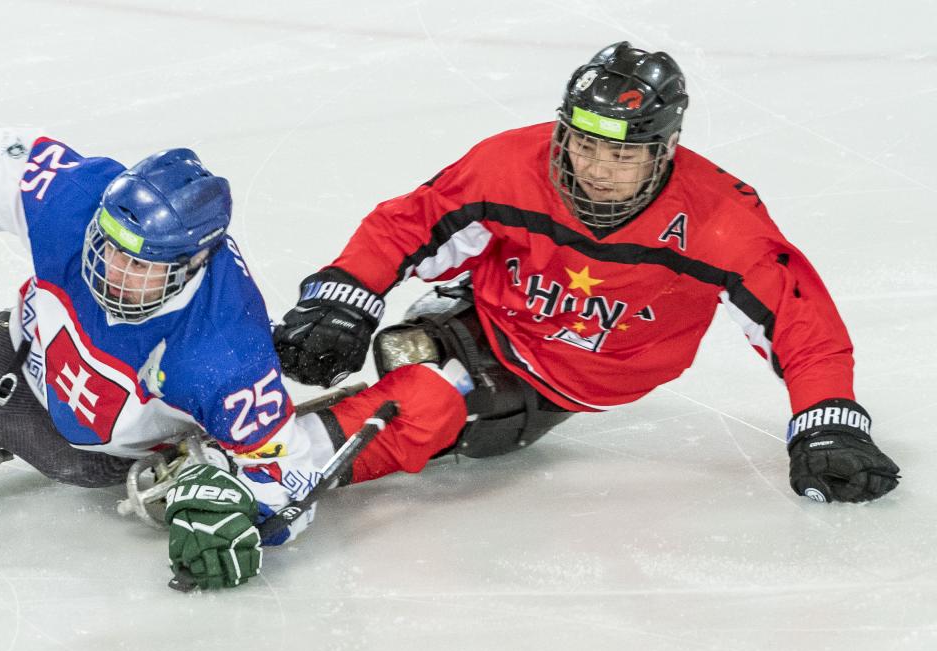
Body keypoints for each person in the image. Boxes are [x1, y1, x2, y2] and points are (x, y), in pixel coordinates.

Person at [274, 42, 900, 504]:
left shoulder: (718, 220)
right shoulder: (511, 164)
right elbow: (411, 224)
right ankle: (213, 403)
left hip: (568, 377)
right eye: (585, 144)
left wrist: (828, 420)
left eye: (623, 153)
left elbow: (800, 321)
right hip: (487, 311)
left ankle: (279, 467)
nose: (598, 169)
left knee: (431, 405)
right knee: (330, 339)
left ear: (665, 148)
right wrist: (344, 298)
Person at [0, 131, 348, 589]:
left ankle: (184, 454)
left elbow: (287, 473)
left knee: (76, 461)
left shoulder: (223, 351)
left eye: (142, 266)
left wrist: (238, 511)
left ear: (195, 261)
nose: (112, 272)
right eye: (108, 246)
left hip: (115, 443)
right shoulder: (77, 195)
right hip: (31, 350)